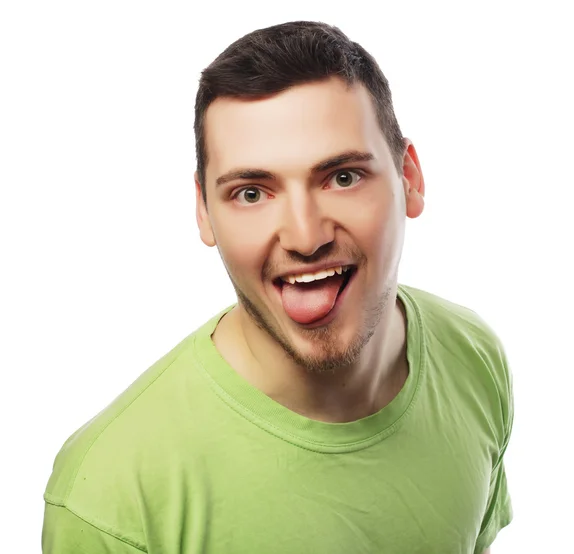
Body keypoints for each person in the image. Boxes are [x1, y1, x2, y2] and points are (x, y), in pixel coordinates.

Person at [42, 21, 513, 554]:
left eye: (342, 177)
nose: (305, 237)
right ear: (203, 210)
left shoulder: (473, 358)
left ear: (410, 178)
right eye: (251, 193)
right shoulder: (112, 497)